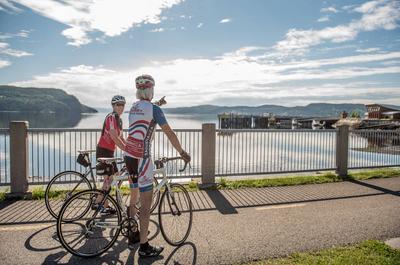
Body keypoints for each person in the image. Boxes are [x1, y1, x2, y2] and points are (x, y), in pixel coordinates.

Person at [124, 74, 191, 258]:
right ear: (151, 90)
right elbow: (169, 133)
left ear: (139, 90)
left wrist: (158, 104)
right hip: (143, 158)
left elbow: (146, 115)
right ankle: (144, 247)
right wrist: (182, 152)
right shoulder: (154, 109)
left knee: (134, 197)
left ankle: (133, 234)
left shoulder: (133, 107)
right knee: (146, 204)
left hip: (129, 156)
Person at [95, 95, 126, 214]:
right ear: (113, 106)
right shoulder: (111, 117)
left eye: (122, 104)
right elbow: (114, 136)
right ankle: (98, 202)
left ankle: (105, 206)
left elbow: (121, 138)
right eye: (118, 105)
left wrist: (130, 147)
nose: (120, 107)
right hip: (103, 150)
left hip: (109, 152)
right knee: (110, 178)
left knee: (109, 179)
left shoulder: (119, 120)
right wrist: (125, 150)